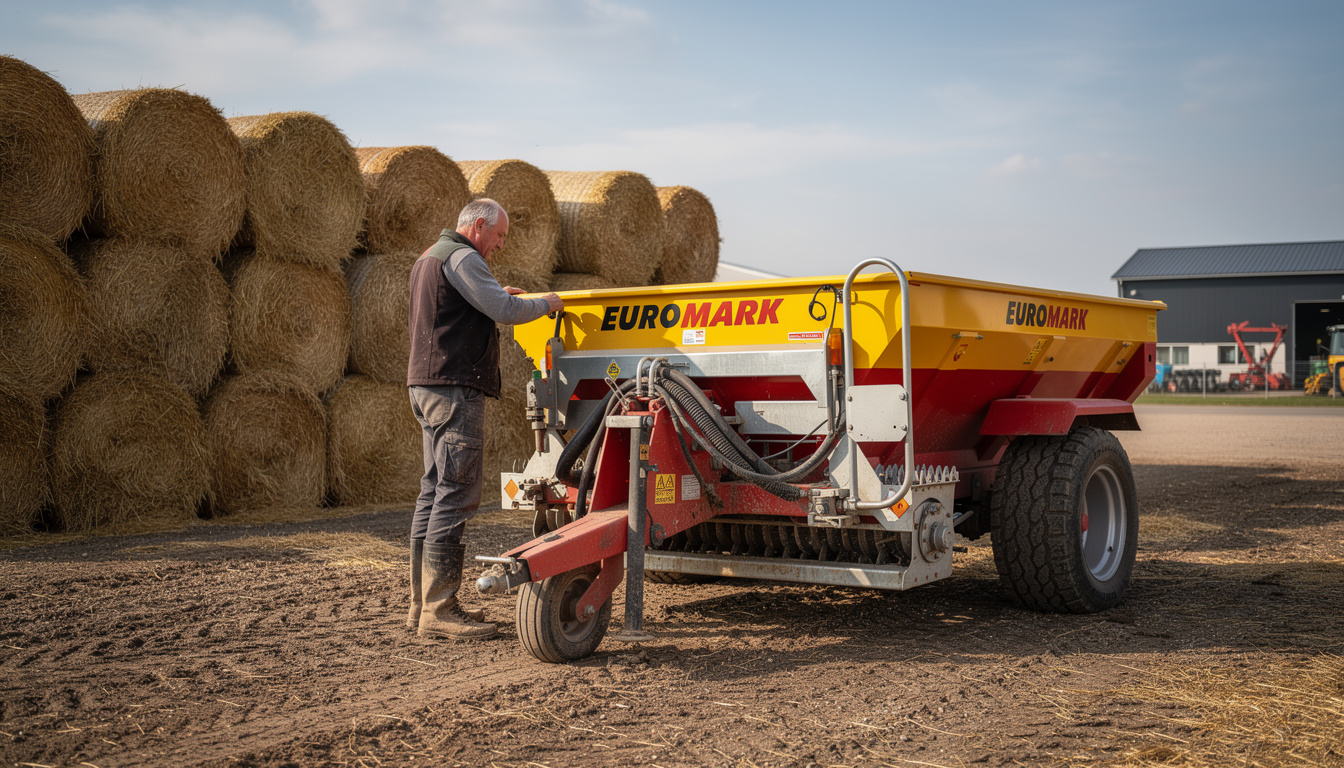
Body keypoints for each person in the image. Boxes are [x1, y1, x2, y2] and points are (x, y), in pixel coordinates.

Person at [405, 198, 563, 640]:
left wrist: (498, 295)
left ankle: (420, 606)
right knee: (456, 492)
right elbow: (507, 313)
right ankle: (440, 609)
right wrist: (547, 303)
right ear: (478, 226)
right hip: (455, 389)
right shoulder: (463, 256)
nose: (499, 246)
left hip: (425, 386)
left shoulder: (428, 259)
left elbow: (467, 307)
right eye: (499, 236)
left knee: (433, 489)